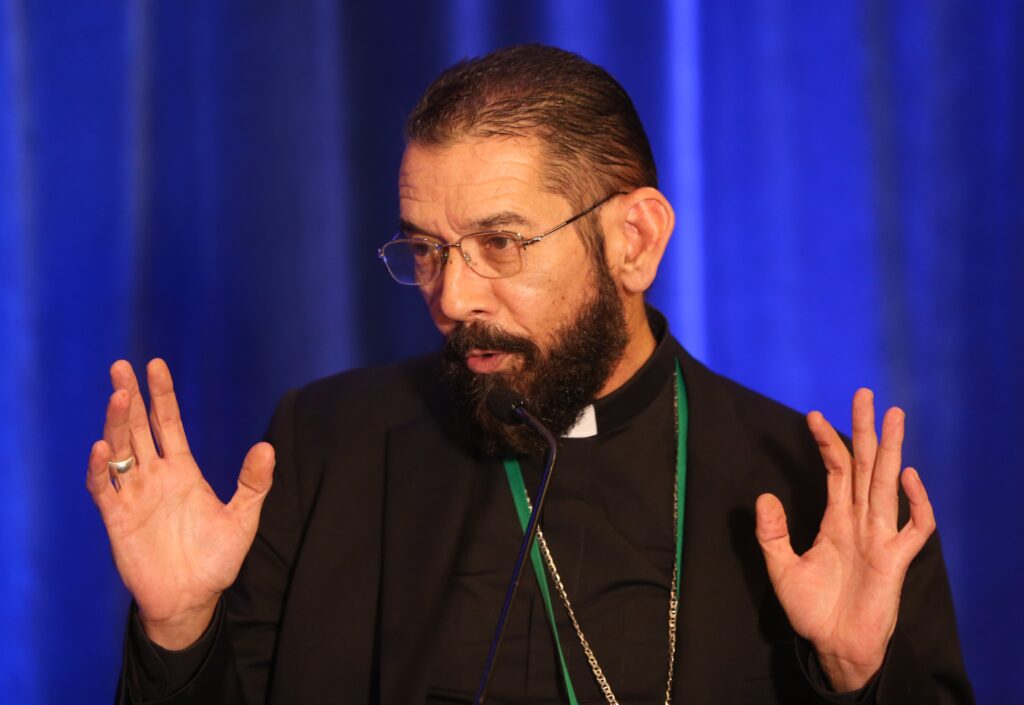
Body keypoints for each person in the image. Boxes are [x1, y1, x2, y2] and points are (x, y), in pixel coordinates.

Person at [89, 45, 973, 704]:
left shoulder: (824, 497)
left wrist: (857, 677)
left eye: (501, 243)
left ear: (634, 241)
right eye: (427, 249)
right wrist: (180, 630)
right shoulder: (322, 448)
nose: (452, 297)